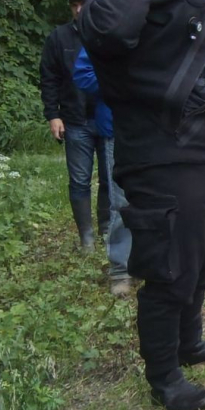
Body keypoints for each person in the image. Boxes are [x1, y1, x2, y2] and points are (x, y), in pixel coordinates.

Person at [77, 0, 205, 410]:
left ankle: (189, 343)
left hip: (196, 148)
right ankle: (164, 377)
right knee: (168, 267)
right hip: (155, 152)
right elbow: (107, 34)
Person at [39, 0, 112, 250]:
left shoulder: (107, 34)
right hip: (74, 119)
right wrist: (52, 115)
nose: (79, 9)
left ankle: (106, 229)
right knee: (79, 180)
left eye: (83, 3)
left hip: (106, 119)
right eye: (74, 4)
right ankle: (86, 237)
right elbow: (49, 78)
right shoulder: (58, 38)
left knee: (109, 178)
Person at [72, 46, 133, 297]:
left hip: (155, 129)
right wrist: (122, 81)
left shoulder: (158, 23)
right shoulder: (105, 32)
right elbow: (82, 74)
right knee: (120, 201)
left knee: (156, 197)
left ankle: (149, 262)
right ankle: (120, 269)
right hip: (115, 129)